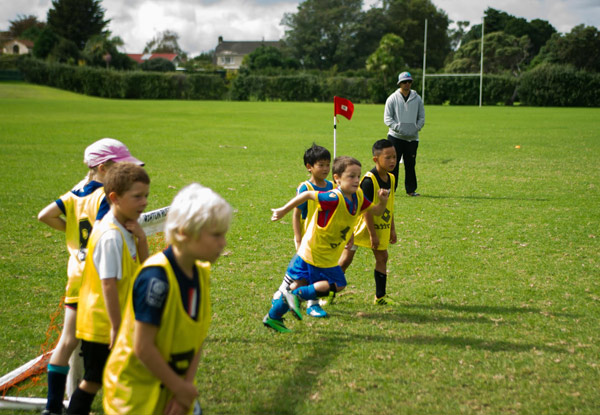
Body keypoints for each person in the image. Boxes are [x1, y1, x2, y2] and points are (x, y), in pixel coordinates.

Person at [103, 183, 233, 415]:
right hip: (135, 399)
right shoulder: (156, 278)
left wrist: (183, 391)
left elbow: (197, 337)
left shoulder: (200, 272)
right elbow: (142, 347)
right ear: (183, 232)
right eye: (215, 235)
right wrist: (179, 388)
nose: (222, 243)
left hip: (173, 389)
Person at [37, 138, 143, 415]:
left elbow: (44, 215)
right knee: (101, 346)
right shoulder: (106, 198)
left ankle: (52, 408)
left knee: (67, 340)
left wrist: (72, 234)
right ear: (105, 168)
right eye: (122, 167)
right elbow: (107, 232)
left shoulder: (75, 193)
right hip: (98, 275)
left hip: (76, 273)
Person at [263, 156, 390, 333]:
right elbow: (307, 195)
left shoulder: (358, 196)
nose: (356, 180)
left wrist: (382, 201)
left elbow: (375, 211)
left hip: (327, 254)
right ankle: (295, 298)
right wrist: (283, 210)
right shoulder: (333, 197)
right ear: (337, 178)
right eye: (351, 176)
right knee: (337, 283)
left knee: (299, 283)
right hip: (314, 252)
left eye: (358, 176)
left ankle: (274, 317)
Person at [67, 162, 150, 415]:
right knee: (93, 381)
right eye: (137, 196)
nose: (144, 202)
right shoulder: (111, 236)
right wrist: (115, 327)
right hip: (103, 326)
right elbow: (108, 284)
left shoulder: (127, 228)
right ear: (114, 197)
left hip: (121, 321)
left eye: (146, 195)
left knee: (117, 377)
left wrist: (142, 238)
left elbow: (143, 269)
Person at [273, 143, 333, 318]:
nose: (325, 169)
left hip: (325, 237)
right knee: (309, 270)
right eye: (321, 165)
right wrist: (298, 238)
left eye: (328, 164)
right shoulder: (305, 188)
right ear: (309, 167)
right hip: (309, 235)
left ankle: (282, 292)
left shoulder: (331, 186)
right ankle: (312, 304)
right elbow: (296, 213)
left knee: (304, 270)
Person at [339, 139, 398, 305]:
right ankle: (328, 292)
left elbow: (390, 204)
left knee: (383, 257)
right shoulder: (368, 181)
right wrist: (372, 234)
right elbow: (365, 210)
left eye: (394, 157)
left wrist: (392, 228)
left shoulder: (392, 178)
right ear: (375, 159)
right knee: (345, 260)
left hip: (381, 226)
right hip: (360, 228)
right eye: (388, 157)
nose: (392, 161)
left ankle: (380, 297)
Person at [384, 71, 425, 196]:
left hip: (412, 138)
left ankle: (411, 190)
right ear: (399, 83)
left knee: (410, 164)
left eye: (409, 82)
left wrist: (416, 127)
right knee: (392, 165)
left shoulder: (417, 98)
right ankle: (391, 189)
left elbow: (421, 117)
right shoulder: (392, 98)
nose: (407, 84)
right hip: (395, 137)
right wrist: (398, 128)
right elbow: (387, 118)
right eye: (404, 82)